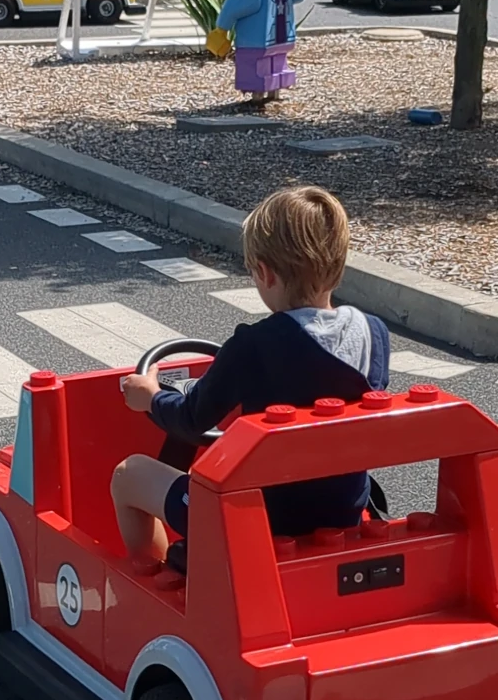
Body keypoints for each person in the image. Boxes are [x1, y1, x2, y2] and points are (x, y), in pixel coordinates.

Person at [111, 186, 391, 563]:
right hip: (341, 512)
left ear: (263, 272)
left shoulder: (253, 345)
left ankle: (155, 585)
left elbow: (192, 419)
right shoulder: (374, 335)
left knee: (129, 475)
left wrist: (150, 396)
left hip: (253, 518)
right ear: (339, 267)